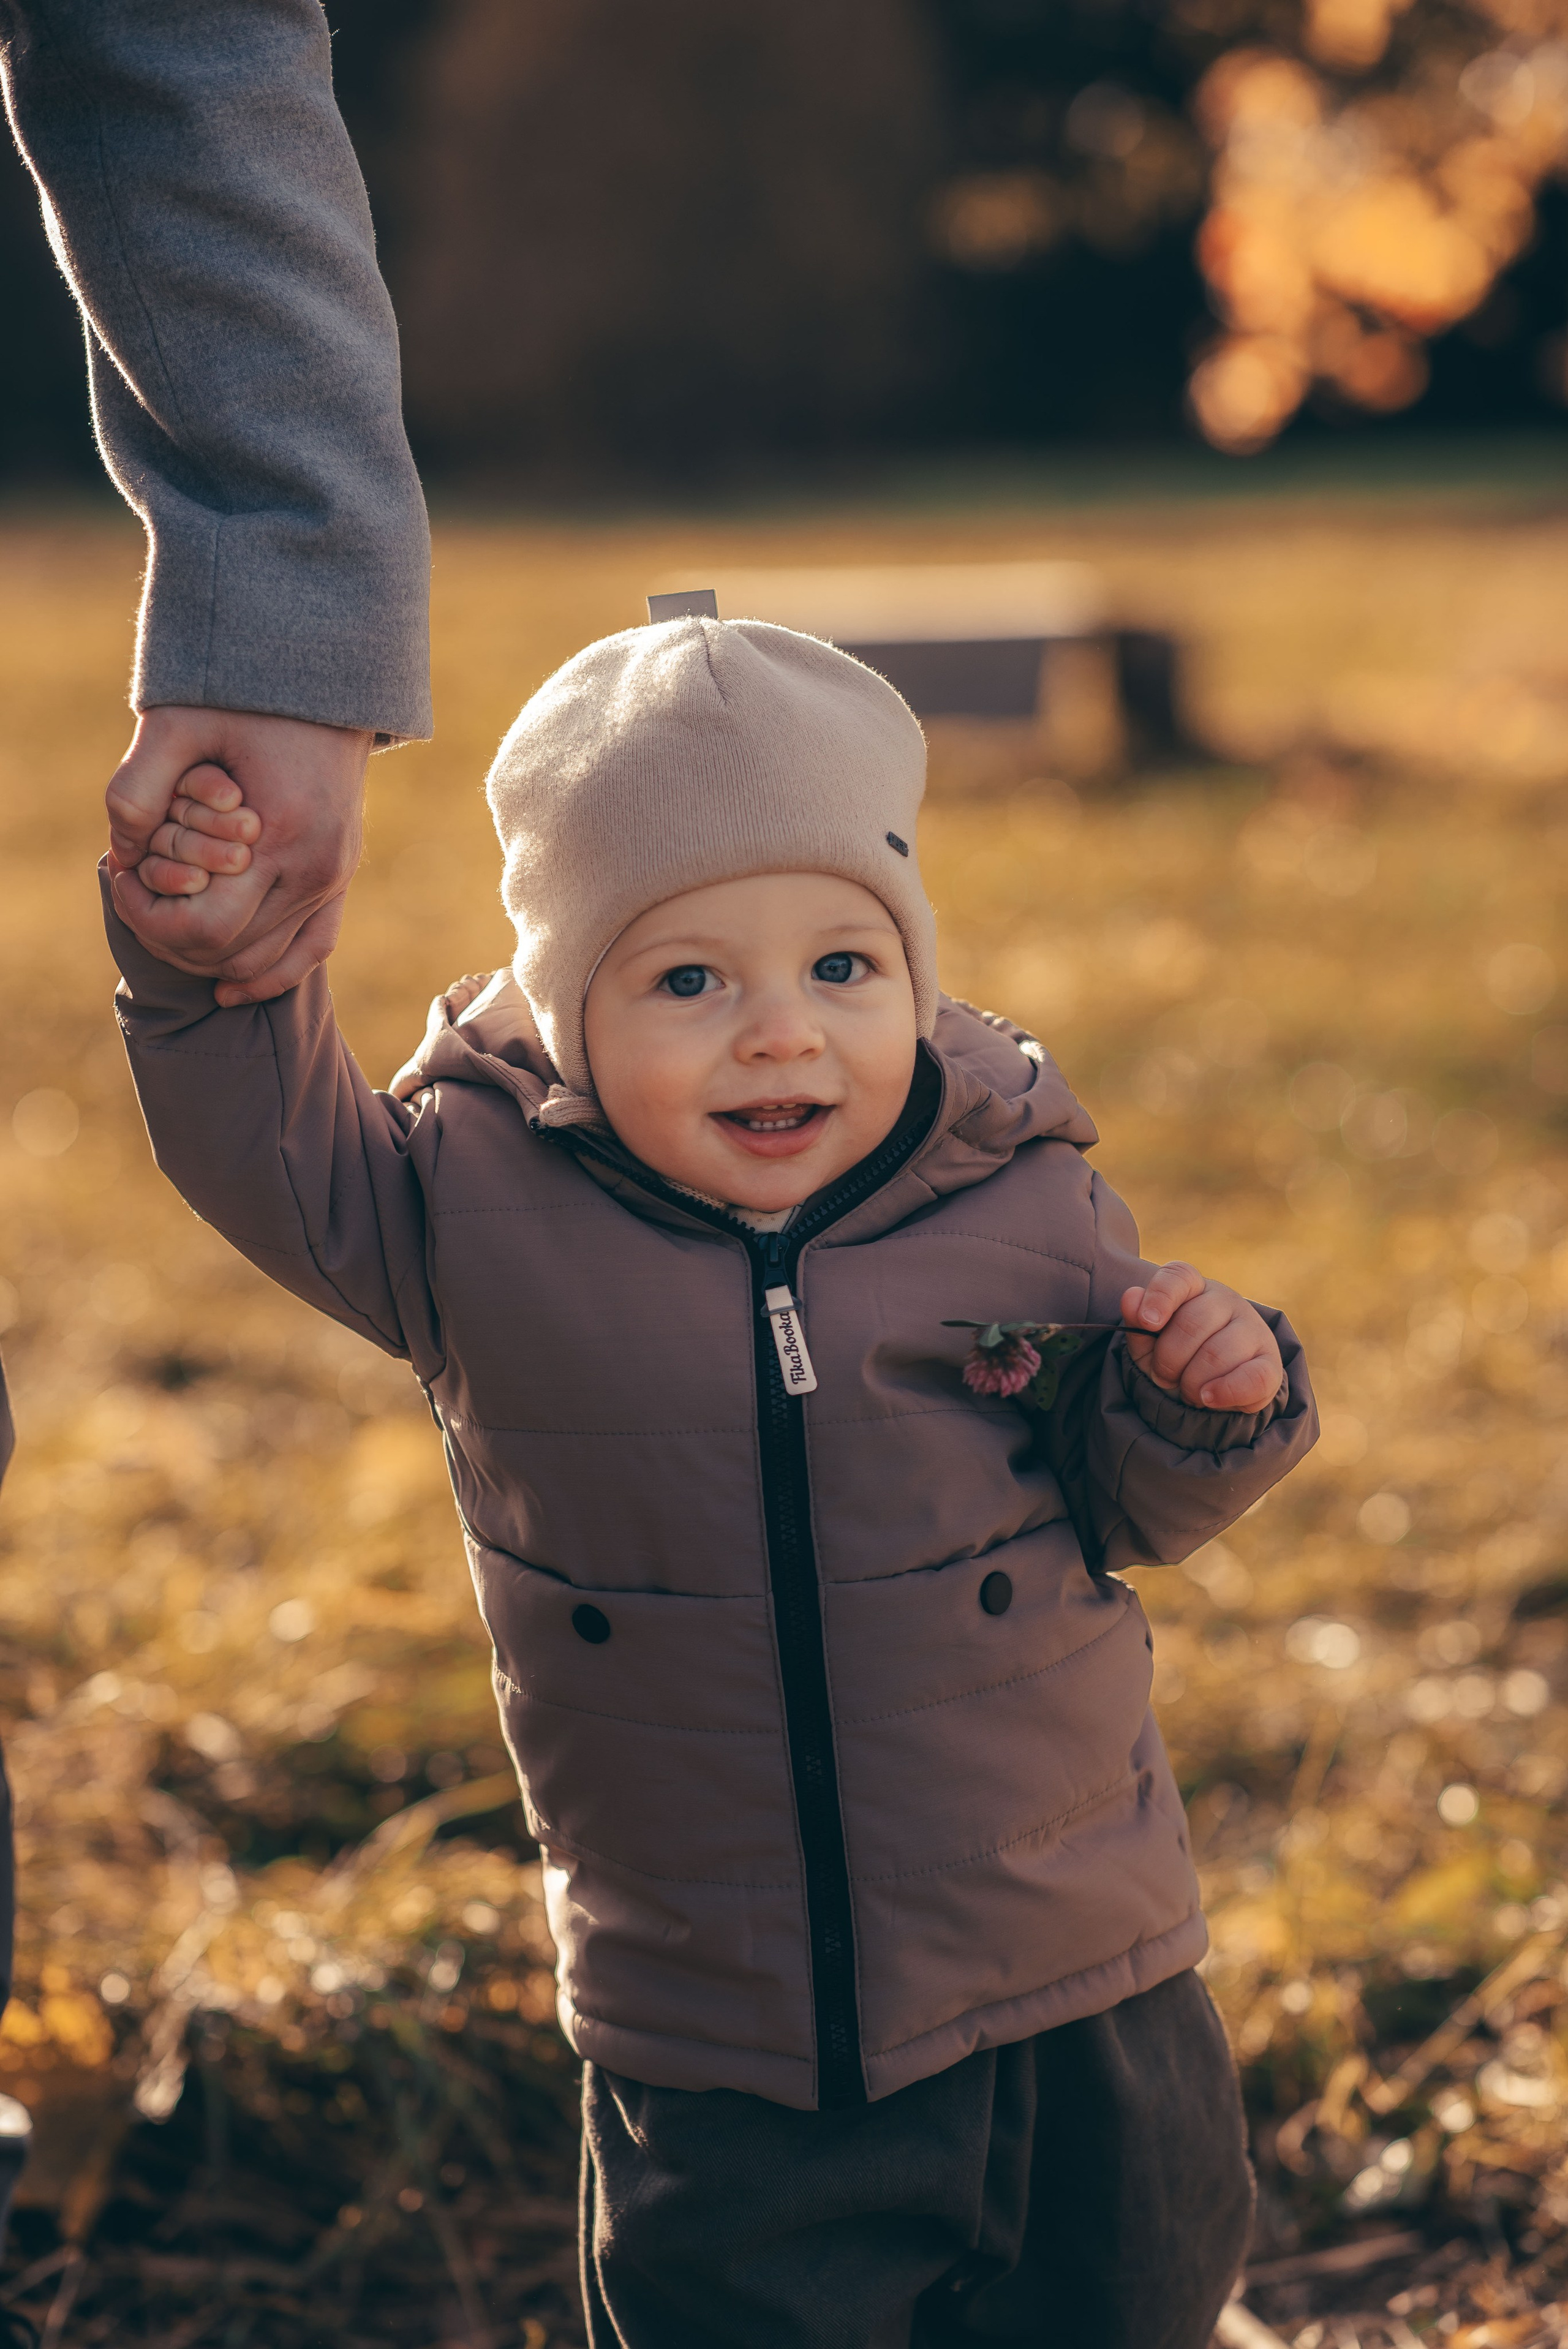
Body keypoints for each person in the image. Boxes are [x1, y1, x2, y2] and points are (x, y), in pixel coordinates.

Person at [105, 614, 1318, 2347]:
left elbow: (1127, 1505)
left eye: (843, 967)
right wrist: (206, 971)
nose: (780, 1035)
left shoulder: (1013, 1186)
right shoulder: (467, 1213)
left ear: (912, 968)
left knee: (1131, 2302)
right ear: (566, 1005)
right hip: (721, 2031)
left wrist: (1207, 1397)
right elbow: (262, 1149)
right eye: (690, 979)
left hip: (1079, 1983)